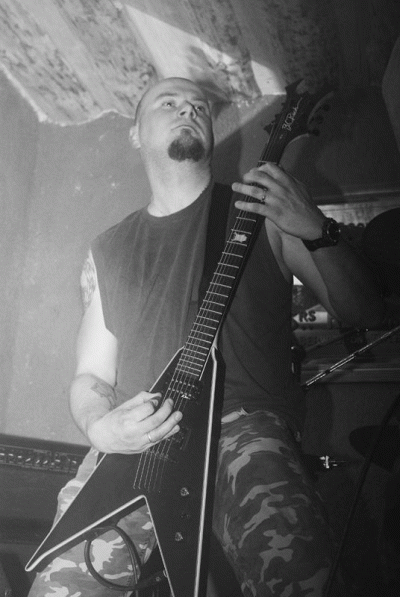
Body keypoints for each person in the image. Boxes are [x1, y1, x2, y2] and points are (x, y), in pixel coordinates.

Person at [28, 77, 384, 597]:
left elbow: (363, 311)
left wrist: (316, 229)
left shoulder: (264, 214)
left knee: (301, 575)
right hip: (139, 436)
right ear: (136, 133)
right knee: (61, 587)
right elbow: (91, 375)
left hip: (243, 427)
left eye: (198, 106)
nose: (188, 110)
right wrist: (100, 428)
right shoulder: (108, 248)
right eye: (168, 102)